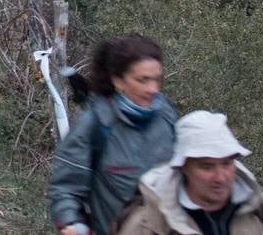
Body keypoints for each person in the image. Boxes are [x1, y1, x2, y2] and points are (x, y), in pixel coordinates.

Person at [50, 35, 179, 235]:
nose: (153, 89)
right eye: (143, 80)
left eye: (157, 79)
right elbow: (66, 189)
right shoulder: (94, 124)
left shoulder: (167, 116)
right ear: (118, 80)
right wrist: (72, 224)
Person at [113, 111, 263, 235]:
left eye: (227, 163)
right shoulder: (148, 224)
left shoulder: (256, 209)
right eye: (207, 167)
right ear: (183, 167)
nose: (221, 177)